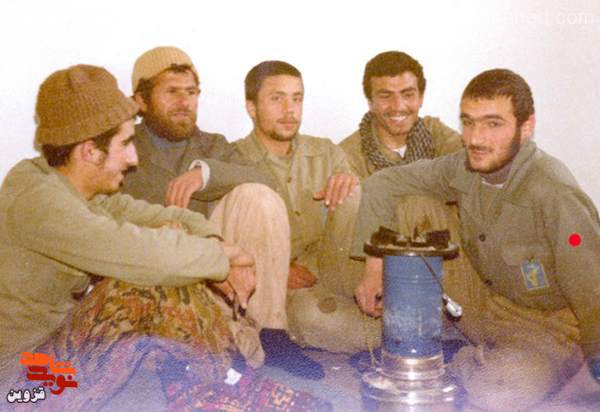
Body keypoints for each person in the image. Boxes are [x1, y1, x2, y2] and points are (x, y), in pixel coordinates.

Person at [0, 64, 330, 411]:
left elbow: (165, 217)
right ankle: (222, 385)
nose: (133, 159)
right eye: (125, 144)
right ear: (89, 151)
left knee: (170, 245)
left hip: (56, 357)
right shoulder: (38, 200)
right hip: (20, 386)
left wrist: (219, 245)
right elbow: (143, 254)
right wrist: (223, 261)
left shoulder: (80, 191)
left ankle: (216, 385)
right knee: (140, 282)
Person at [352, 68, 600, 411]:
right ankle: (441, 345)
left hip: (547, 328)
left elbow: (593, 294)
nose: (475, 138)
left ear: (526, 127)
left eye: (493, 124)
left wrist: (590, 378)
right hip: (484, 303)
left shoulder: (554, 191)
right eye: (468, 122)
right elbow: (384, 183)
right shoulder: (465, 166)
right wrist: (374, 265)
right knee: (414, 203)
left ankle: (462, 360)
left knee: (497, 395)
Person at [120, 47, 323, 379]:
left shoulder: (212, 146)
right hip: (153, 283)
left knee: (258, 196)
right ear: (141, 101)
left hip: (216, 280)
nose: (185, 102)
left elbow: (266, 180)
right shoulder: (122, 148)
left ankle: (272, 334)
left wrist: (204, 174)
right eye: (172, 92)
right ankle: (211, 346)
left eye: (191, 92)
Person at [234, 60, 374, 353]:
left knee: (354, 190)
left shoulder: (326, 152)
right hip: (281, 282)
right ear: (251, 107)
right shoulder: (233, 160)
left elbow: (359, 216)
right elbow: (226, 238)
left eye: (297, 99)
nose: (290, 110)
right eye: (277, 99)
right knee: (318, 320)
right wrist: (275, 269)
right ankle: (406, 336)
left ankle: (404, 323)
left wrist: (350, 183)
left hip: (334, 261)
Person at [340, 50, 462, 179]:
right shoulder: (346, 157)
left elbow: (472, 165)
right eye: (385, 96)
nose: (398, 106)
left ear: (420, 98)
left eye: (408, 95)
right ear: (370, 103)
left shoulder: (435, 133)